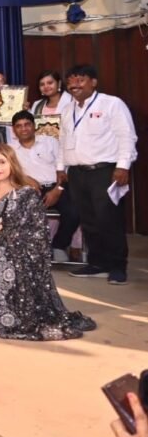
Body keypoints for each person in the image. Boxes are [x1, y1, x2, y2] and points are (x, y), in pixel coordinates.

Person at [0, 144, 96, 340]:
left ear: (12, 164)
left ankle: (7, 317)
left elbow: (36, 238)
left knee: (4, 287)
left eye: (1, 162)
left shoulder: (27, 195)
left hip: (22, 262)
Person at [57, 64, 137, 284]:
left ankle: (118, 266)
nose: (74, 85)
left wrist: (123, 166)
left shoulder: (112, 104)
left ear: (93, 82)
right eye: (70, 81)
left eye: (80, 80)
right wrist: (61, 168)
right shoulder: (68, 110)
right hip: (77, 173)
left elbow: (126, 136)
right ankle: (98, 263)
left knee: (108, 219)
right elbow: (63, 141)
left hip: (105, 172)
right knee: (88, 221)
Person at [11, 111, 79, 262]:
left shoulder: (50, 142)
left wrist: (57, 190)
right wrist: (26, 179)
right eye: (19, 126)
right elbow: (10, 173)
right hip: (29, 190)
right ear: (14, 130)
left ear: (34, 126)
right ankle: (30, 251)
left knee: (74, 212)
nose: (24, 129)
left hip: (58, 186)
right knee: (20, 214)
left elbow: (65, 168)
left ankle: (59, 246)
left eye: (27, 124)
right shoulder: (11, 150)